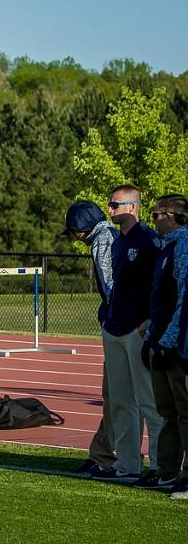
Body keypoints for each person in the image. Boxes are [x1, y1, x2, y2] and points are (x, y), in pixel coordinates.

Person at [97, 184, 163, 480]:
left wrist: (150, 319)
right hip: (114, 329)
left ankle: (162, 465)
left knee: (149, 403)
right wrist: (108, 319)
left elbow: (161, 286)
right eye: (110, 204)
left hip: (137, 331)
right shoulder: (116, 243)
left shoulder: (150, 241)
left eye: (115, 205)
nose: (110, 210)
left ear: (133, 207)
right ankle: (127, 466)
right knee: (122, 403)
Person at [62, 200, 119, 476]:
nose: (75, 238)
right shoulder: (113, 235)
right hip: (128, 324)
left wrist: (111, 315)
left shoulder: (102, 240)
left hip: (122, 328)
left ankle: (105, 456)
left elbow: (111, 285)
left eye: (74, 231)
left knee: (118, 396)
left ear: (81, 227)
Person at [138, 194, 188, 498]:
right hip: (163, 339)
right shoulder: (166, 247)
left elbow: (184, 300)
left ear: (172, 216)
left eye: (156, 214)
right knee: (167, 412)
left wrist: (168, 341)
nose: (152, 219)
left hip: (177, 345)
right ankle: (167, 470)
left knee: (185, 413)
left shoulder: (183, 246)